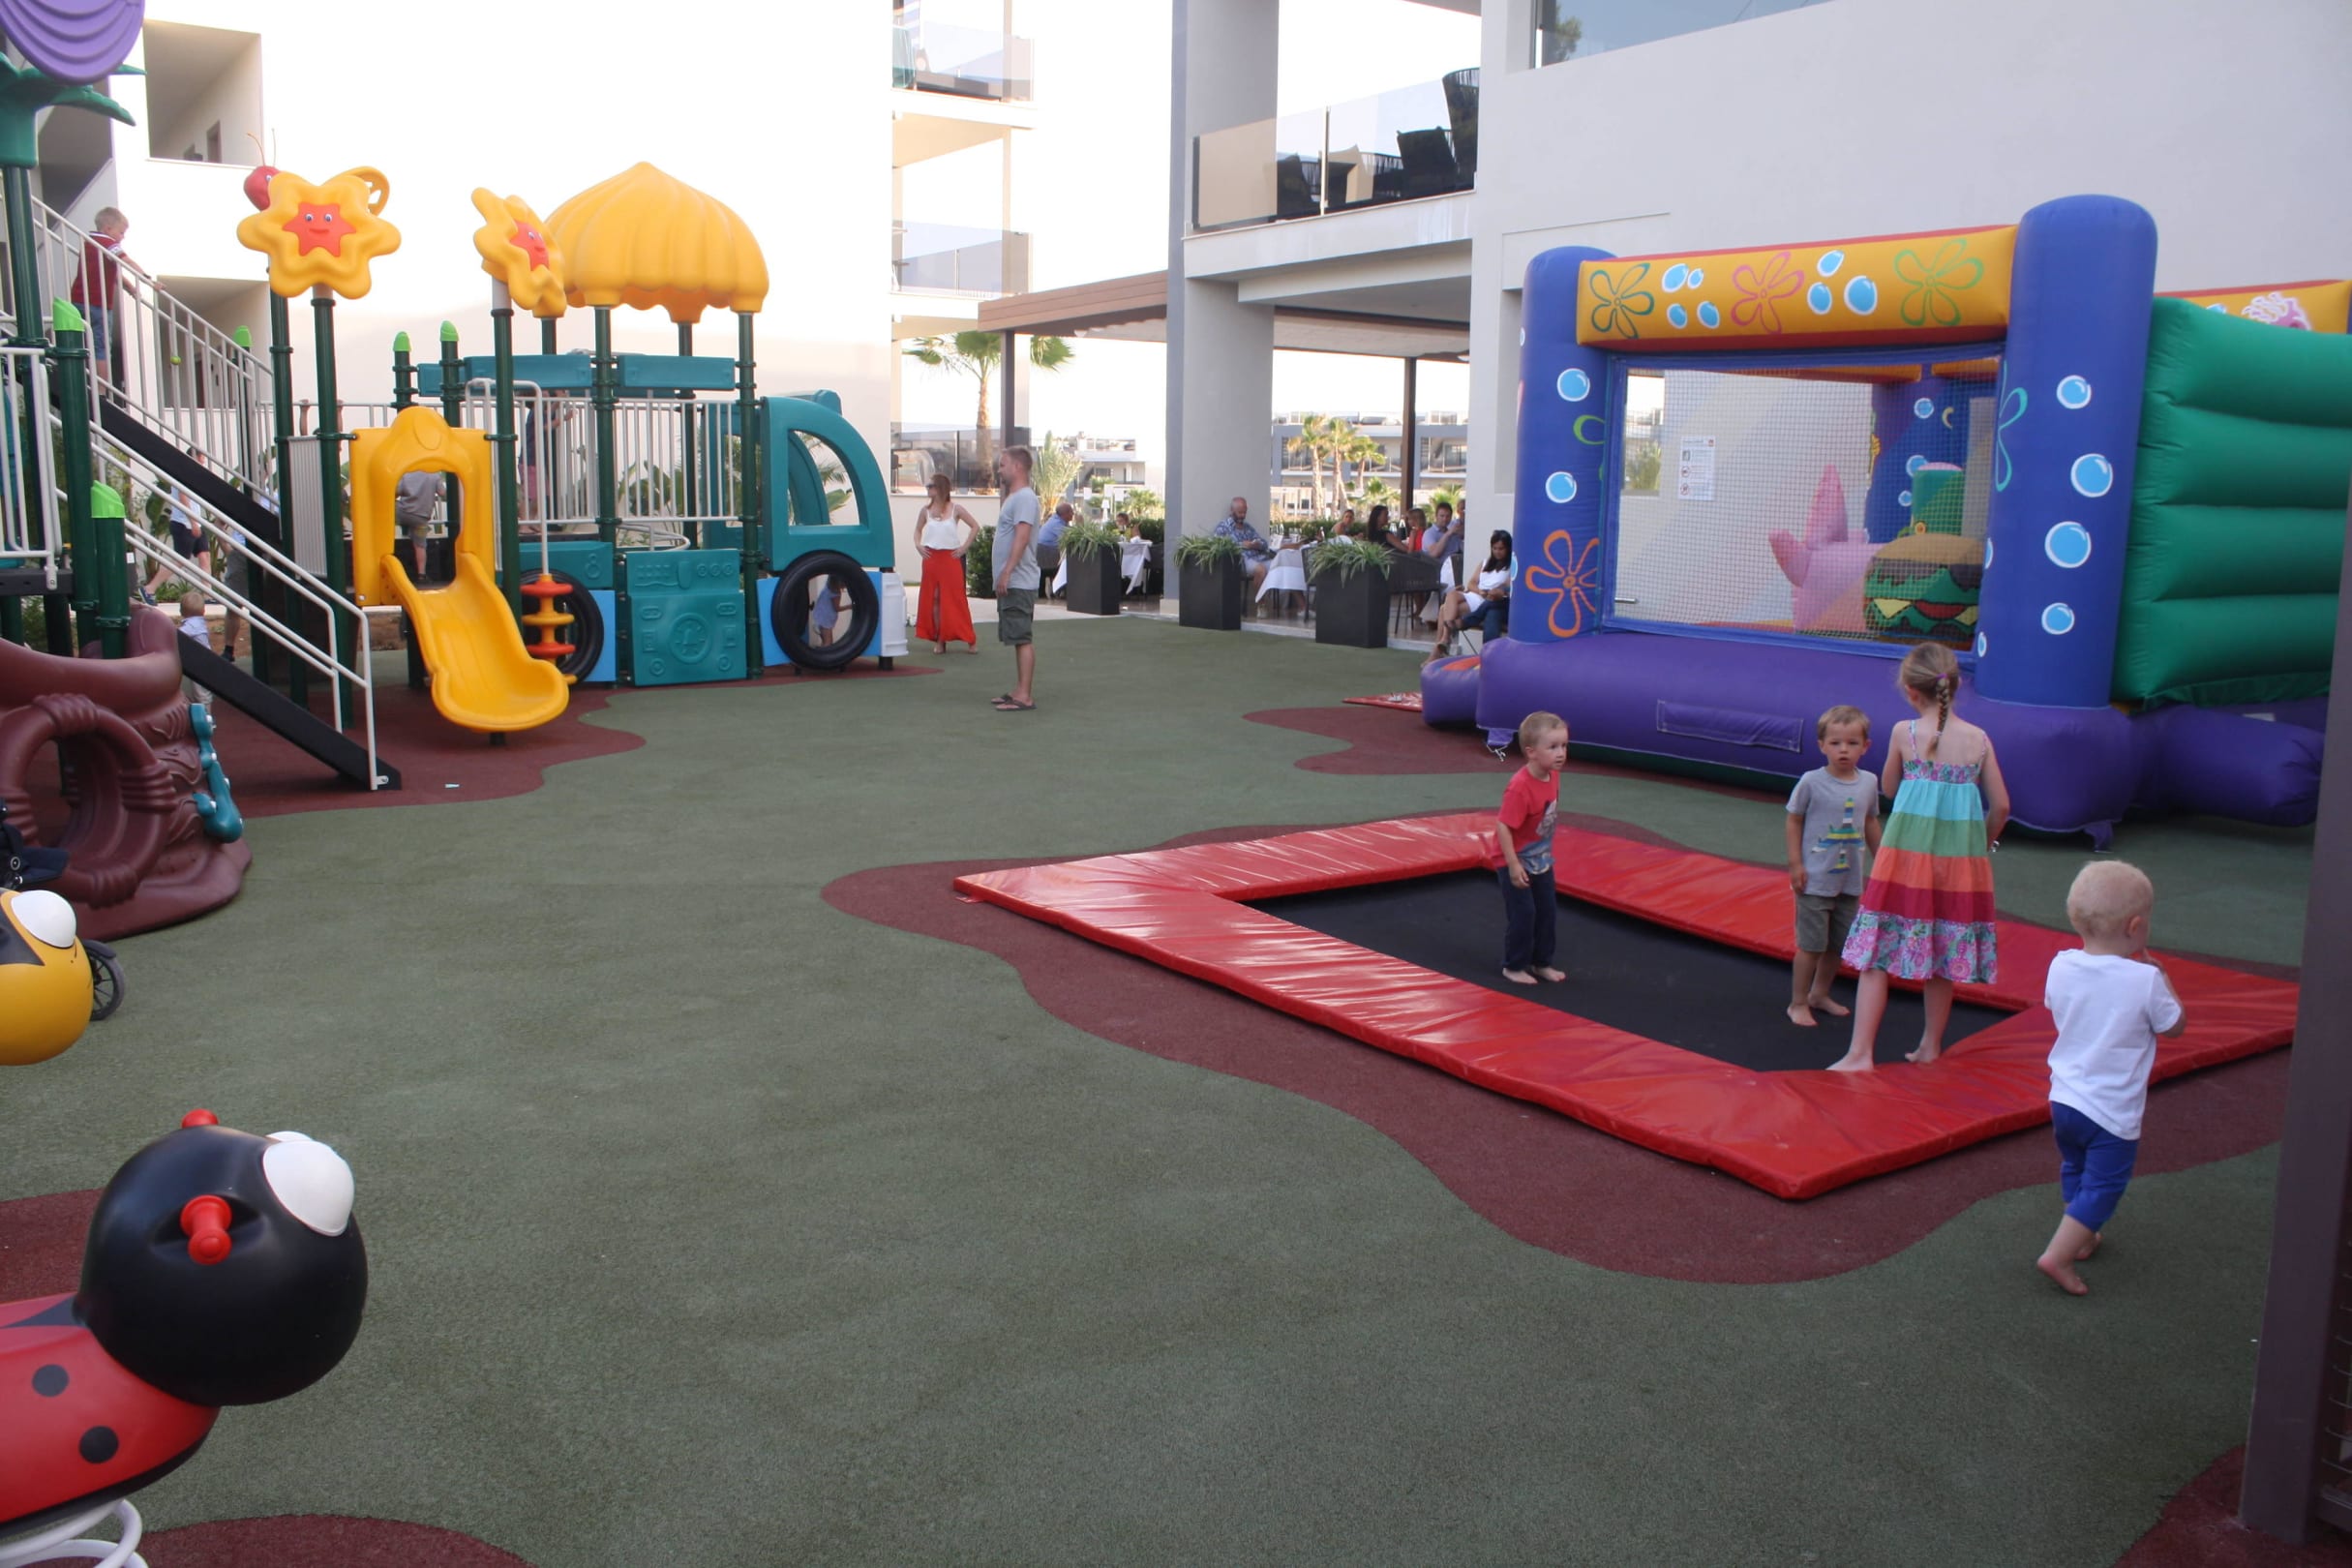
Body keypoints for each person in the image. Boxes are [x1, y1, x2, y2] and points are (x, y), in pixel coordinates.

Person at [1827, 642, 2010, 1071]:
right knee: (1943, 952)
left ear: (1911, 692)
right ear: (1955, 685)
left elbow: (1889, 787)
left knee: (1876, 954)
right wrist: (1982, 845)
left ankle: (1860, 1052)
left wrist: (1918, 781)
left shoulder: (1905, 733)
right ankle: (1930, 1046)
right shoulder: (1979, 740)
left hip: (1904, 861)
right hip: (1958, 866)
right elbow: (2001, 806)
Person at [2035, 860, 2186, 1295]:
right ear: (2135, 926)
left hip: (2065, 1099)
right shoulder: (2145, 980)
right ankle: (2059, 1255)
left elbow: (2056, 1004)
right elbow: (2175, 1026)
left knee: (2076, 1166)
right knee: (2105, 1184)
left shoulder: (2061, 965)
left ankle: (2082, 1235)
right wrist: (2166, 982)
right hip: (2111, 1111)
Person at [1784, 706, 1883, 1027]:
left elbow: (1870, 821)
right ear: (1822, 745)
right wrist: (1796, 864)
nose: (1844, 750)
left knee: (1838, 945)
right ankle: (1798, 1002)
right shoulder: (1811, 782)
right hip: (1814, 880)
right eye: (1836, 743)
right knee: (1811, 946)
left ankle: (1819, 994)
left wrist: (1883, 860)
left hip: (1849, 882)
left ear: (1865, 746)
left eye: (1852, 743)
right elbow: (1794, 820)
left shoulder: (1868, 782)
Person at [1494, 710, 1569, 987]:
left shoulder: (1553, 775)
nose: (1561, 753)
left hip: (1541, 857)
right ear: (1531, 752)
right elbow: (1503, 826)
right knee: (1524, 914)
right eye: (1553, 747)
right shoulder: (1520, 788)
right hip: (1514, 859)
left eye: (1564, 745)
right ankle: (1513, 966)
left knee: (1547, 911)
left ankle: (1542, 962)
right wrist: (1513, 865)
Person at [991, 444, 1040, 711]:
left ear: (1017, 467)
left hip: (1019, 581)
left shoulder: (1024, 498)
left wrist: (1007, 572)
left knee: (1022, 637)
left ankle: (1024, 696)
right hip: (1014, 581)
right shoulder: (1016, 498)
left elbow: (1022, 537)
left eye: (1003, 465)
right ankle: (1019, 689)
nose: (999, 470)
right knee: (1017, 636)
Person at [914, 471, 979, 653]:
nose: (927, 489)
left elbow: (975, 526)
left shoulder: (956, 508)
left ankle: (970, 639)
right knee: (934, 599)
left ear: (940, 488)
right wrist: (918, 545)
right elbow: (917, 530)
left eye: (931, 486)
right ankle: (940, 640)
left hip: (950, 558)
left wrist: (964, 547)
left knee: (955, 599)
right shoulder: (925, 511)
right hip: (931, 558)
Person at [70, 207, 134, 387]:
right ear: (108, 229)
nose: (122, 237)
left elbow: (112, 273)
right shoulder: (109, 243)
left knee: (75, 341)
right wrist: (148, 280)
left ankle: (77, 381)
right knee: (101, 349)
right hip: (99, 305)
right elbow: (126, 260)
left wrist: (129, 286)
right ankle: (101, 391)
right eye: (121, 232)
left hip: (78, 300)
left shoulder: (90, 242)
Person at [1430, 530, 1514, 660]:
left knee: (1443, 609)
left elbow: (1506, 587)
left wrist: (1491, 592)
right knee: (1451, 594)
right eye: (1494, 548)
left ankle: (1438, 651)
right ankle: (1445, 639)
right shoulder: (1485, 563)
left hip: (1490, 600)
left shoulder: (1511, 566)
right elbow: (1471, 583)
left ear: (1508, 548)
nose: (1497, 552)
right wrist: (1480, 591)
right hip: (1477, 594)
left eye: (1501, 549)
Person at [142, 481, 206, 605]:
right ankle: (149, 589)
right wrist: (193, 522)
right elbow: (183, 497)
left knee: (204, 555)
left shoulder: (194, 474)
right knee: (180, 560)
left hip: (196, 523)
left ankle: (208, 595)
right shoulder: (185, 474)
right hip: (184, 523)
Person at [1212, 497, 1276, 597]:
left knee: (1279, 567)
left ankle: (1284, 603)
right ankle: (1261, 603)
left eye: (1244, 512)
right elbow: (1217, 545)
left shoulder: (1248, 527)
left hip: (1258, 557)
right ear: (1232, 510)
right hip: (1242, 560)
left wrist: (1258, 544)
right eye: (1240, 512)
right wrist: (1241, 545)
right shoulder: (1223, 527)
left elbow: (1264, 543)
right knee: (1261, 570)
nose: (1242, 515)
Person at [394, 469, 442, 580]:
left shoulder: (407, 473)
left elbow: (396, 491)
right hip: (421, 519)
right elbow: (442, 492)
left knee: (388, 510)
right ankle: (422, 574)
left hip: (403, 513)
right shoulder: (434, 474)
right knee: (420, 545)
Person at [1036, 500, 1073, 597]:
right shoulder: (1057, 524)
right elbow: (1070, 538)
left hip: (1046, 555)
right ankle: (1061, 592)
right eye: (1071, 511)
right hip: (1047, 555)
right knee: (1069, 567)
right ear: (1065, 514)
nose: (1073, 514)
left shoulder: (1057, 520)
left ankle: (1058, 591)